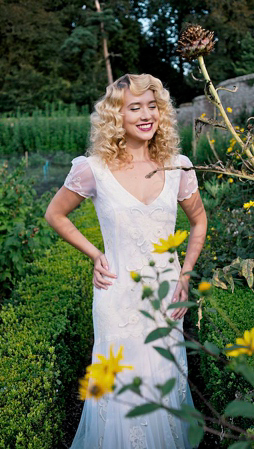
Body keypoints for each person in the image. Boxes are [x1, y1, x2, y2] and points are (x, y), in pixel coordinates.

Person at [45, 74, 207, 448]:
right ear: (117, 116)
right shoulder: (93, 168)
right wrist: (96, 254)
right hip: (116, 298)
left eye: (153, 106)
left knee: (163, 384)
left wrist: (185, 274)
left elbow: (199, 221)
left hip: (166, 298)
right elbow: (56, 214)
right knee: (120, 393)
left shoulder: (177, 166)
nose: (147, 114)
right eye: (135, 107)